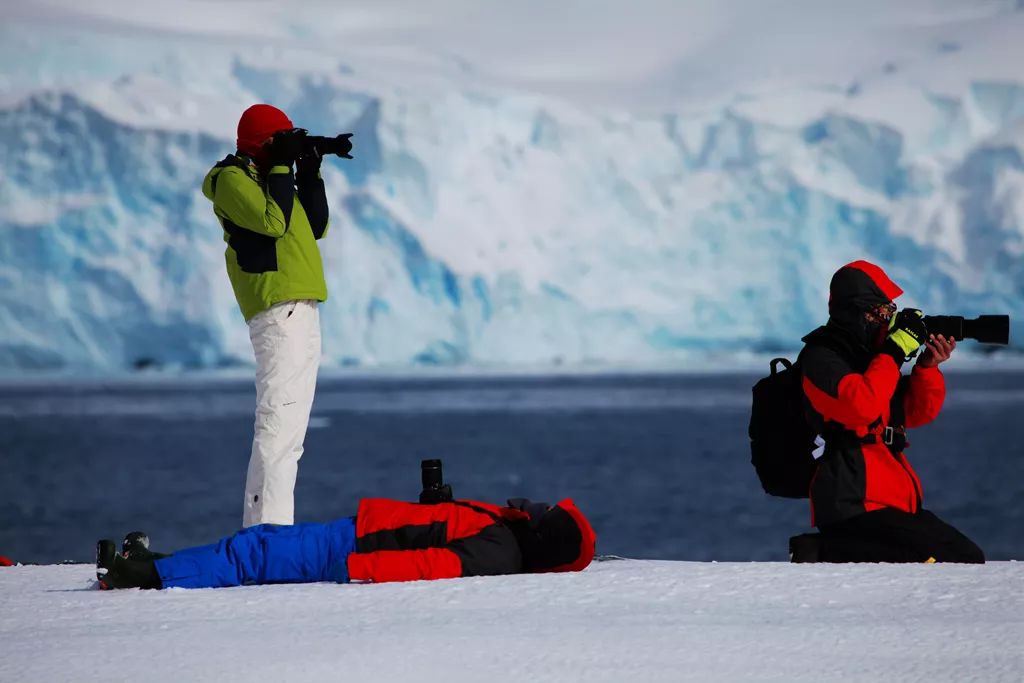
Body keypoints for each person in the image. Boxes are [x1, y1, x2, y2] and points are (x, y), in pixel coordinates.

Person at [202, 104, 341, 528]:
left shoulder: (269, 178)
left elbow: (316, 226)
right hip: (279, 313)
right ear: (259, 143)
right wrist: (281, 164)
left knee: (290, 432)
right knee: (278, 423)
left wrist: (310, 171)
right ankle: (265, 531)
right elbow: (274, 222)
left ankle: (271, 529)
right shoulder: (231, 179)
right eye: (279, 140)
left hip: (301, 310)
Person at [789, 260, 984, 563]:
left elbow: (918, 412)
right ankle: (820, 550)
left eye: (890, 311)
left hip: (891, 502)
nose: (887, 320)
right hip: (852, 502)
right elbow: (861, 408)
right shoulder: (821, 358)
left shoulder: (871, 360)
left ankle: (830, 548)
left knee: (968, 557)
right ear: (856, 312)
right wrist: (893, 352)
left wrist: (926, 368)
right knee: (942, 559)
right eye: (881, 312)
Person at [95, 497, 597, 589]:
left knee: (253, 557)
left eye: (547, 513)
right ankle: (160, 565)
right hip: (355, 534)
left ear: (543, 535)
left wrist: (359, 568)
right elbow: (439, 533)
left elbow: (431, 564)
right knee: (259, 543)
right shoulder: (503, 534)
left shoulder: (500, 549)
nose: (540, 506)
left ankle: (142, 575)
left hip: (353, 550)